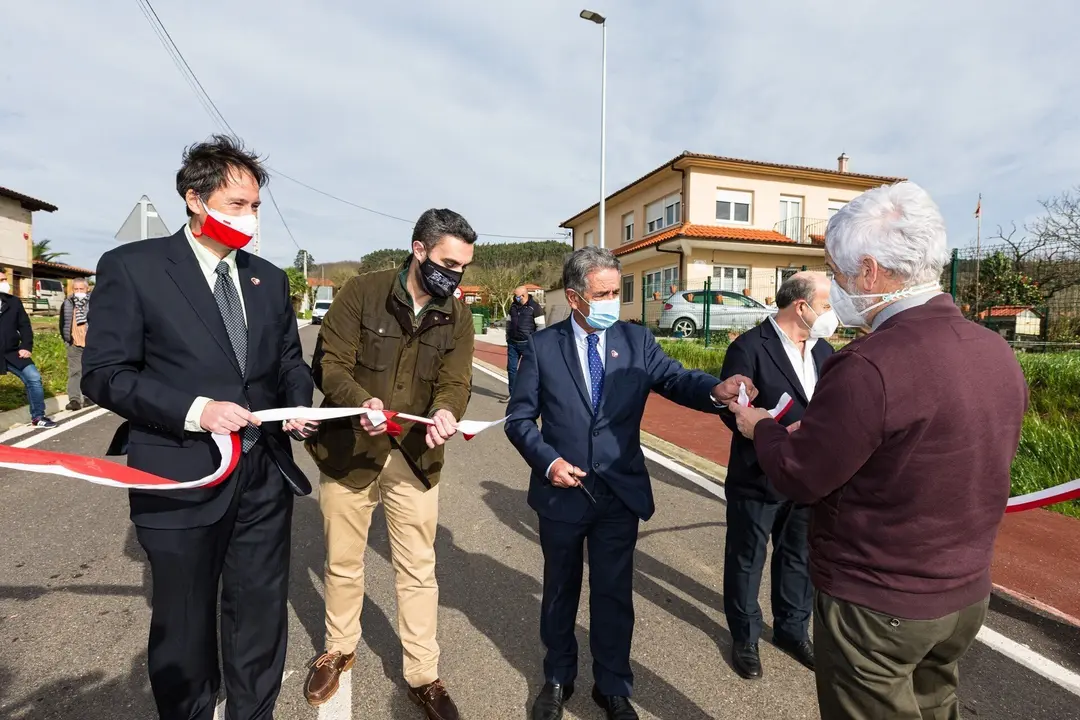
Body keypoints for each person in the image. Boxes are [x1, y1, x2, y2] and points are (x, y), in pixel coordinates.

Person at [727, 181, 1028, 720]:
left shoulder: (871, 363)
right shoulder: (994, 350)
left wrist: (760, 429)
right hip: (963, 592)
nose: (837, 291)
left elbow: (800, 476)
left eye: (839, 275)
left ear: (868, 271)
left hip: (878, 602)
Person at [82, 135, 317, 720]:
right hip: (179, 473)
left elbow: (289, 360)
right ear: (194, 198)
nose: (250, 219)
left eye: (255, 207)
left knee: (260, 611)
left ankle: (253, 711)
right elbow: (106, 375)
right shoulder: (133, 269)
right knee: (183, 621)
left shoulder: (268, 279)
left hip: (263, 472)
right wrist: (197, 410)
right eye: (237, 206)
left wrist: (298, 405)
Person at [505, 246, 757, 720]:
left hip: (618, 492)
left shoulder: (636, 341)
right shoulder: (542, 348)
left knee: (614, 594)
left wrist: (716, 391)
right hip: (562, 491)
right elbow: (519, 419)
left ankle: (613, 686)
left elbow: (677, 380)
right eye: (603, 293)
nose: (612, 303)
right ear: (576, 298)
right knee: (560, 591)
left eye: (617, 292)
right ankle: (558, 678)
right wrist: (548, 461)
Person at [304, 208, 476, 720]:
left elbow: (457, 380)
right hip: (351, 450)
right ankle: (338, 648)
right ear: (419, 250)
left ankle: (423, 676)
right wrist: (362, 403)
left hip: (415, 456)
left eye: (464, 267)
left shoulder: (458, 313)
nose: (455, 275)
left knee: (418, 569)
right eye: (448, 262)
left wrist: (448, 410)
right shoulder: (362, 293)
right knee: (342, 560)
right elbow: (329, 364)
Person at [719, 272, 835, 680]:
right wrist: (767, 427)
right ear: (801, 307)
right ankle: (746, 637)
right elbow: (733, 411)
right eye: (826, 305)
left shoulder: (825, 351)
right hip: (758, 473)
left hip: (805, 475)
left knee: (798, 556)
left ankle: (791, 629)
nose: (831, 314)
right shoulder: (749, 346)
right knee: (747, 557)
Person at [0, 277, 56, 428]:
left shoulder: (13, 302)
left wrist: (26, 346)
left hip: (12, 352)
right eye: (1, 279)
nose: (5, 282)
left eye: (4, 279)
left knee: (33, 377)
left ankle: (38, 417)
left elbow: (24, 326)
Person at [505, 285, 544, 401]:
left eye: (516, 296)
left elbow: (541, 327)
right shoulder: (513, 306)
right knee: (511, 369)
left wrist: (536, 344)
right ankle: (513, 394)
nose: (514, 298)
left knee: (529, 371)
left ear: (523, 295)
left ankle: (530, 395)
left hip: (527, 343)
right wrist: (507, 336)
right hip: (513, 343)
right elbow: (508, 322)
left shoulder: (535, 308)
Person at [60, 277, 92, 411]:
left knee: (89, 371)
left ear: (87, 289)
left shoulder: (95, 303)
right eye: (76, 289)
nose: (78, 291)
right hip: (74, 343)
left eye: (81, 289)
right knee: (75, 371)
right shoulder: (67, 303)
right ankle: (74, 400)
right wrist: (67, 339)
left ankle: (89, 396)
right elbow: (62, 321)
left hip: (92, 344)